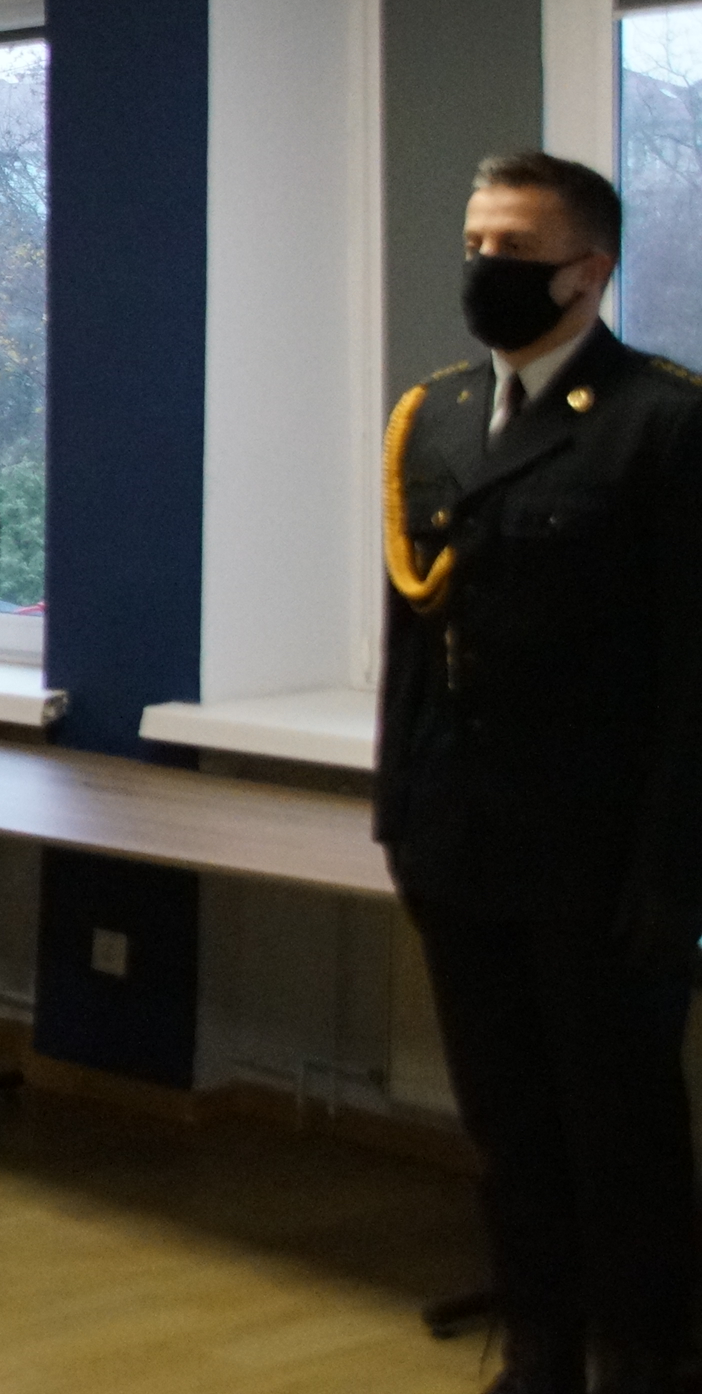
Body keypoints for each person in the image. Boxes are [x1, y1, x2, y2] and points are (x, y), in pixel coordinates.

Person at [378, 152, 702, 1394]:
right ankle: (537, 1355)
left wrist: (669, 875)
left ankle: (642, 1361)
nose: (480, 266)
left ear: (586, 270)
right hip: (460, 847)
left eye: (510, 248)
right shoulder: (437, 413)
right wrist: (398, 818)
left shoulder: (660, 420)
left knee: (618, 1137)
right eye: (472, 242)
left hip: (599, 860)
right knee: (506, 1128)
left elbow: (689, 676)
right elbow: (416, 639)